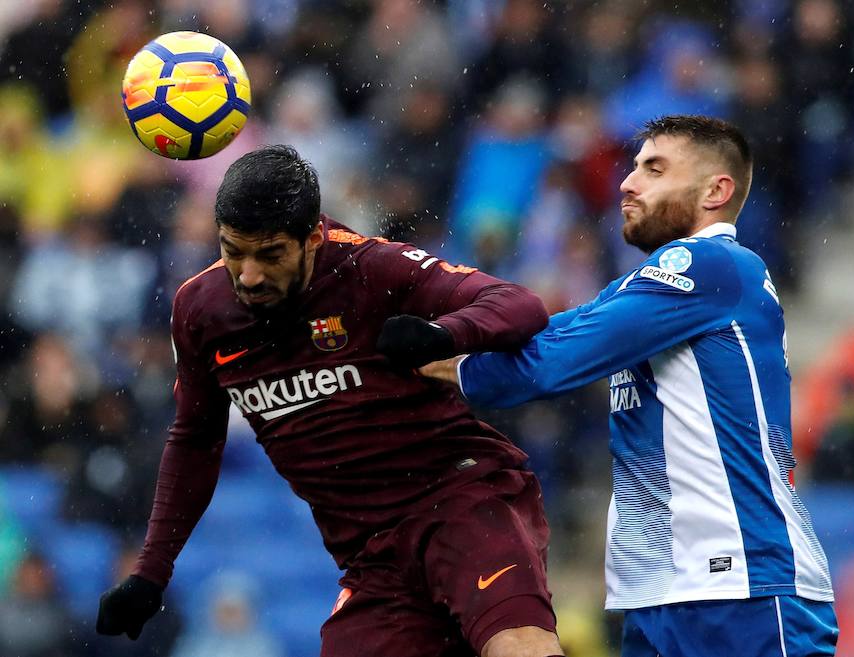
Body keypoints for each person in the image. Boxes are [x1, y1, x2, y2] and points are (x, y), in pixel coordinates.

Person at [95, 145, 565, 657]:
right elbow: (194, 440)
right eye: (234, 251)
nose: (249, 274)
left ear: (313, 237)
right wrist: (151, 572)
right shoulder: (200, 310)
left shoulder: (372, 269)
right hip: (371, 557)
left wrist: (442, 334)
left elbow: (519, 304)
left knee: (519, 647)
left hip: (462, 502)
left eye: (271, 254)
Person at [420, 115, 840, 656]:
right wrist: (451, 337)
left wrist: (450, 365)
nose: (627, 182)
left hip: (741, 586)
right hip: (661, 591)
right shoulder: (649, 289)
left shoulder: (706, 262)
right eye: (634, 166)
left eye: (654, 169)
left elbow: (553, 361)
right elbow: (556, 333)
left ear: (716, 190)